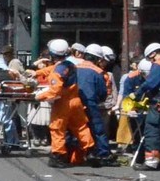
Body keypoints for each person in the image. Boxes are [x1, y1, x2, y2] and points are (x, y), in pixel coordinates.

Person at [35, 39, 95, 168]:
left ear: (52, 54)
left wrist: (38, 96)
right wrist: (37, 73)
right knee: (81, 127)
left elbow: (55, 91)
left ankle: (58, 156)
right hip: (76, 101)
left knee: (57, 129)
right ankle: (91, 151)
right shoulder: (69, 64)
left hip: (63, 104)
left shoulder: (57, 71)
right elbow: (53, 68)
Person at [132, 43, 160, 170]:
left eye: (150, 59)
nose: (151, 61)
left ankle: (151, 161)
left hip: (159, 102)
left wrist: (138, 94)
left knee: (152, 129)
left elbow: (151, 82)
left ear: (153, 54)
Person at [77, 44, 116, 166]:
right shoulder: (98, 72)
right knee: (98, 129)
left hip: (74, 103)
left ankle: (80, 152)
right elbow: (102, 92)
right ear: (98, 59)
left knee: (77, 128)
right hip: (90, 103)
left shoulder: (75, 67)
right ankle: (103, 154)